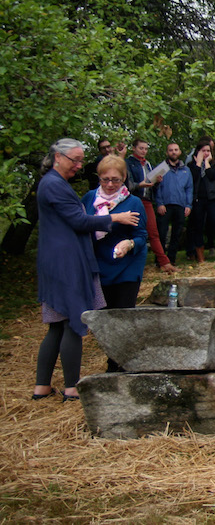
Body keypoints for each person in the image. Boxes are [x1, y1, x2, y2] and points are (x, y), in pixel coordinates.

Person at [33, 139, 140, 401]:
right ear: (58, 157)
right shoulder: (55, 185)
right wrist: (114, 217)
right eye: (75, 160)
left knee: (56, 326)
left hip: (58, 259)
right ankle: (71, 387)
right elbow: (79, 221)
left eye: (81, 161)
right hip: (66, 261)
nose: (79, 166)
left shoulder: (53, 183)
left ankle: (42, 386)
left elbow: (142, 234)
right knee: (72, 322)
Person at [82, 155, 148, 371]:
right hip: (98, 265)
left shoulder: (133, 202)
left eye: (115, 180)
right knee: (105, 318)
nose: (110, 185)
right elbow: (81, 228)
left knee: (123, 317)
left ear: (124, 178)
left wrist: (129, 244)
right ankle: (112, 357)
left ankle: (119, 365)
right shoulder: (89, 199)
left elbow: (141, 235)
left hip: (127, 267)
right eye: (105, 179)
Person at [125, 138, 177, 273]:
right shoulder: (128, 163)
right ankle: (130, 264)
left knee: (153, 232)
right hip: (132, 199)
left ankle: (164, 262)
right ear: (134, 148)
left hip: (147, 200)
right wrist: (140, 184)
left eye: (146, 149)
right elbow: (127, 185)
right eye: (141, 148)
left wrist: (157, 181)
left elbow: (152, 185)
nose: (144, 151)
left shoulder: (147, 164)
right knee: (131, 232)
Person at [187, 139, 215, 263]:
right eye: (203, 151)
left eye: (208, 151)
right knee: (198, 227)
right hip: (198, 199)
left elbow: (211, 176)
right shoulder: (191, 166)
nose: (205, 153)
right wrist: (199, 163)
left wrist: (207, 162)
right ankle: (201, 258)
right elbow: (193, 178)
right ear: (198, 152)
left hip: (213, 199)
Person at [155, 142, 193, 266]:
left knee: (176, 234)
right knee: (161, 233)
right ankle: (160, 260)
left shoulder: (186, 170)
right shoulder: (161, 168)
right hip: (165, 205)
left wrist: (188, 205)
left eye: (176, 150)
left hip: (180, 205)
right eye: (171, 150)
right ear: (167, 152)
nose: (173, 152)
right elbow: (156, 187)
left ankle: (171, 259)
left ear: (180, 152)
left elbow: (189, 188)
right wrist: (159, 203)